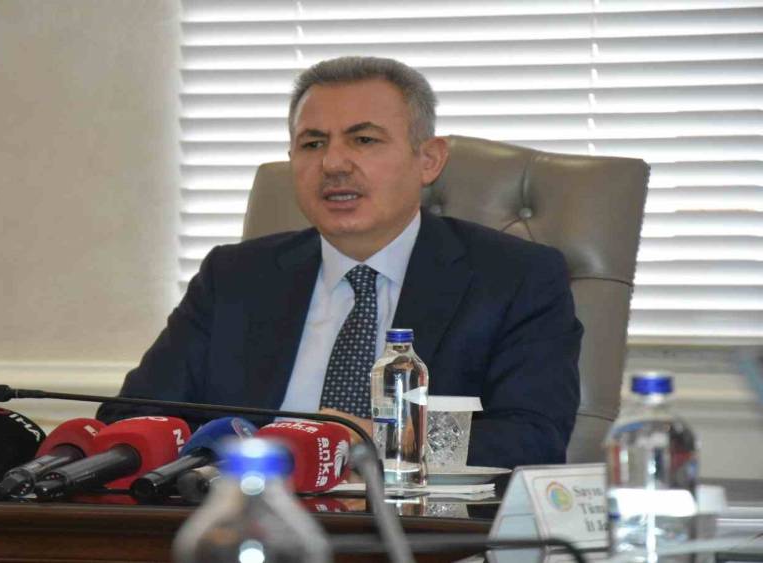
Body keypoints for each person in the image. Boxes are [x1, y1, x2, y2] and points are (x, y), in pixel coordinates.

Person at [97, 56, 582, 469]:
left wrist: (370, 439)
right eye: (313, 144)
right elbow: (129, 420)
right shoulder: (234, 278)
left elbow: (532, 439)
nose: (332, 164)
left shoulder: (513, 278)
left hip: (420, 532)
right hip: (248, 519)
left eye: (363, 140)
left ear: (429, 160)